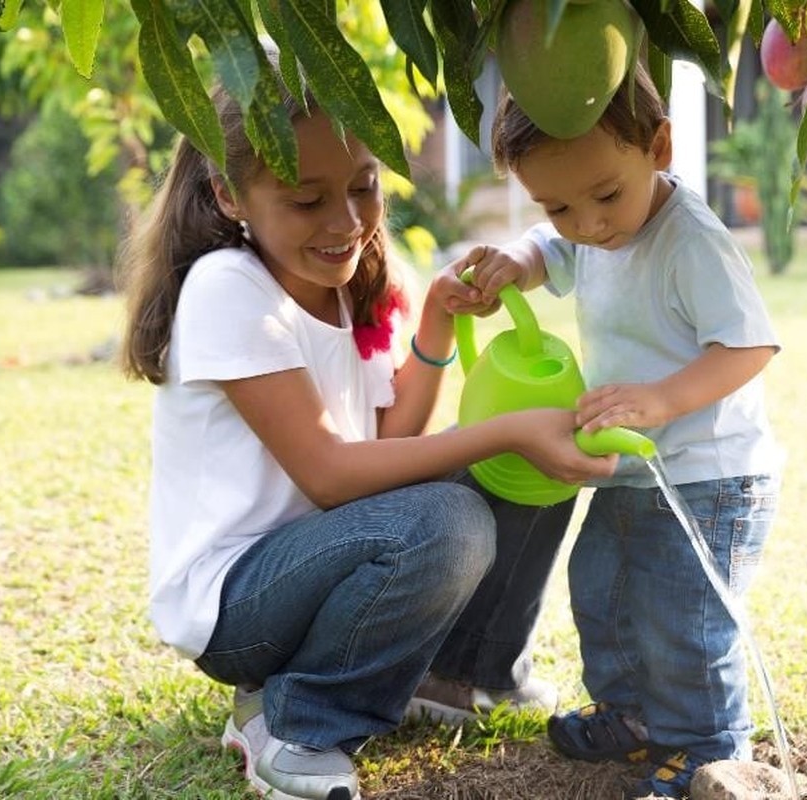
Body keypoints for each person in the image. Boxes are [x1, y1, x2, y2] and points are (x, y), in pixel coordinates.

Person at [117, 67, 617, 800]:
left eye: (363, 185)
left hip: (330, 559)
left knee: (523, 472)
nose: (347, 220)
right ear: (229, 196)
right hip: (237, 601)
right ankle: (297, 720)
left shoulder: (347, 288)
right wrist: (504, 430)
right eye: (306, 199)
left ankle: (461, 676)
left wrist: (438, 320)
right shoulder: (230, 287)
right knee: (449, 516)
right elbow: (329, 473)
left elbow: (389, 443)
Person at [454, 63, 784, 799]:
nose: (590, 223)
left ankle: (707, 746)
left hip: (708, 474)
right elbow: (556, 246)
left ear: (660, 147)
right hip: (634, 466)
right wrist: (521, 257)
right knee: (600, 588)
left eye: (605, 195)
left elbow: (749, 346)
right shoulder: (593, 228)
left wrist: (663, 400)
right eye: (559, 204)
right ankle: (633, 714)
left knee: (681, 616)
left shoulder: (691, 241)